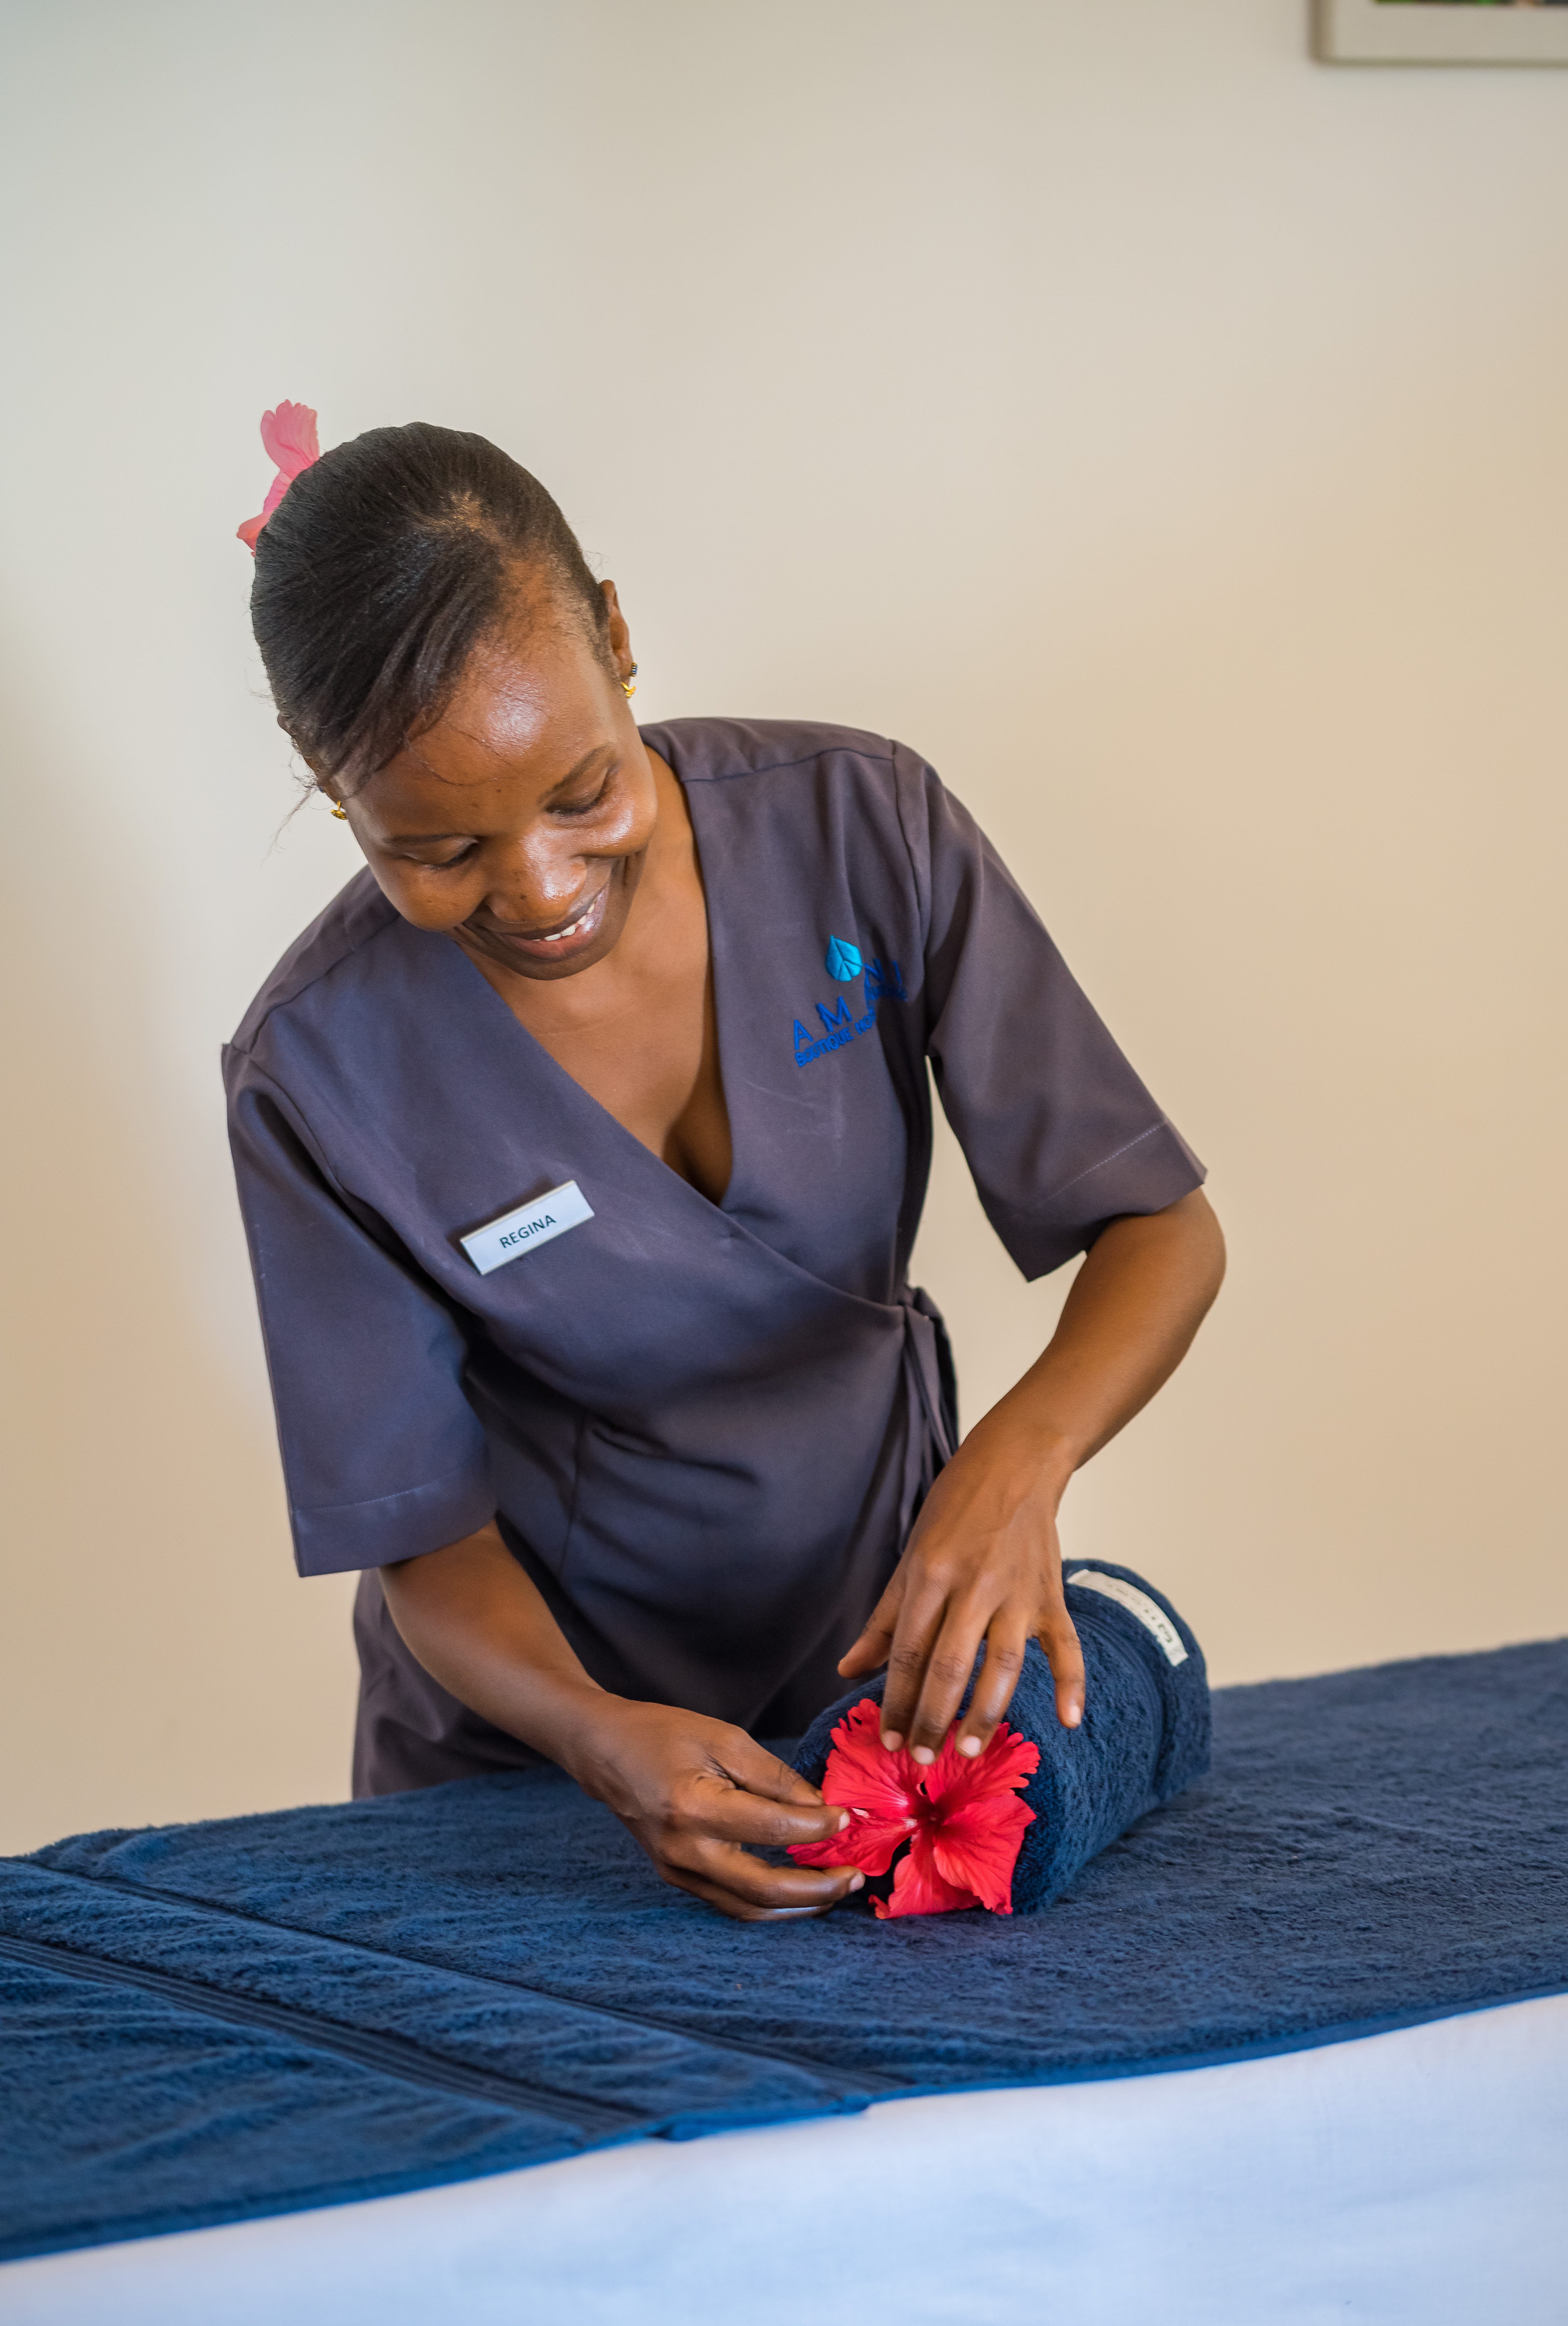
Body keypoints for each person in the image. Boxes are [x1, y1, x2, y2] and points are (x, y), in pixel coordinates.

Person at [226, 414, 1225, 1921]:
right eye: (438, 850)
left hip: (873, 1680)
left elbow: (1159, 1225)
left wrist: (1014, 1467)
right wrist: (598, 1739)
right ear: (327, 778)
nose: (541, 888)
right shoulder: (317, 1071)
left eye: (580, 791)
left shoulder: (860, 827)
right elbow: (421, 1534)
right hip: (534, 1765)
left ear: (619, 641)